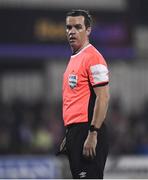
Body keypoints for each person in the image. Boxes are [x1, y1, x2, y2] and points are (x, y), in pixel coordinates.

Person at [58, 9, 110, 179]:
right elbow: (76, 99)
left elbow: (103, 97)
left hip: (88, 130)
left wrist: (93, 133)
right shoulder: (75, 58)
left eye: (78, 27)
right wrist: (70, 134)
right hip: (77, 132)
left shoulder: (93, 57)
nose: (72, 31)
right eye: (68, 27)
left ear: (88, 30)